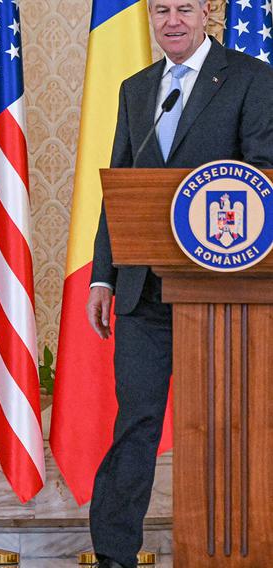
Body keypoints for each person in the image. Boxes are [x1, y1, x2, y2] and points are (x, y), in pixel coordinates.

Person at [86, 0, 273, 565]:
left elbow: (264, 176)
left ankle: (232, 551)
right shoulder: (137, 88)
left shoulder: (251, 78)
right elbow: (120, 185)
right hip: (144, 290)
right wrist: (103, 278)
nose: (172, 20)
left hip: (226, 294)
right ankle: (114, 555)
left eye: (184, 9)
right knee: (136, 423)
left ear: (209, 12)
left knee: (226, 426)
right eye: (161, 9)